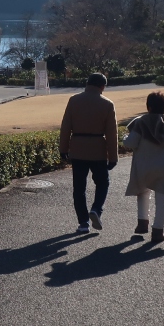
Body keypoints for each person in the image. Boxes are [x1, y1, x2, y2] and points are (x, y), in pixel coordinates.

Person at [123, 91, 164, 244]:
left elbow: (131, 143)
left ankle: (142, 223)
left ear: (149, 106)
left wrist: (124, 138)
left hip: (144, 166)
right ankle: (158, 230)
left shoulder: (140, 122)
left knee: (143, 192)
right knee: (163, 199)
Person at [59, 73, 119, 233]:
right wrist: (113, 157)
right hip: (98, 148)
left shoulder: (74, 100)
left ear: (87, 83)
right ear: (102, 86)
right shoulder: (107, 104)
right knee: (102, 183)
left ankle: (83, 223)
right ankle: (96, 209)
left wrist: (63, 148)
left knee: (79, 188)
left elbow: (66, 127)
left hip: (77, 147)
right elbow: (112, 134)